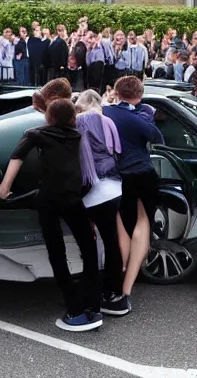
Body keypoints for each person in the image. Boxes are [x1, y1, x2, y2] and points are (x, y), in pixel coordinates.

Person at [0, 97, 103, 332]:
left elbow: (17, 157)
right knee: (88, 249)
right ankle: (93, 307)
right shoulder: (76, 135)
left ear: (49, 117)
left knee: (57, 253)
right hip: (74, 199)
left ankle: (74, 310)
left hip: (49, 199)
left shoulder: (36, 134)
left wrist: (5, 189)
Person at [103, 76, 164, 310]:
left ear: (116, 91)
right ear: (139, 95)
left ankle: (115, 285)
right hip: (141, 174)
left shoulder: (105, 112)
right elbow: (157, 137)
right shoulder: (139, 116)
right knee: (142, 226)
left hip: (115, 177)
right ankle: (125, 290)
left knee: (122, 228)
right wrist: (145, 113)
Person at [74, 90, 129, 316]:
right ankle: (114, 292)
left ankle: (96, 295)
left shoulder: (84, 120)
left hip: (94, 191)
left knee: (91, 245)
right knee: (112, 242)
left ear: (87, 103)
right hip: (115, 187)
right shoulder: (109, 121)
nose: (76, 110)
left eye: (78, 106)